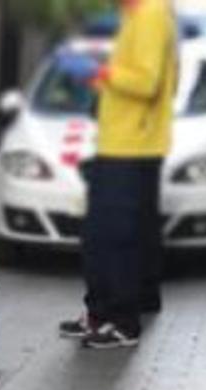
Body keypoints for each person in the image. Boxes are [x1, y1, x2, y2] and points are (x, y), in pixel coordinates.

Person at [59, 0, 178, 349]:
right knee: (106, 234)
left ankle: (121, 321)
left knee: (113, 236)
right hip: (122, 142)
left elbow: (147, 82)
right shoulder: (136, 15)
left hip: (131, 145)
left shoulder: (150, 15)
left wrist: (99, 72)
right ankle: (101, 313)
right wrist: (100, 76)